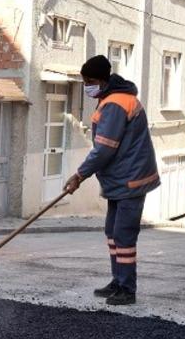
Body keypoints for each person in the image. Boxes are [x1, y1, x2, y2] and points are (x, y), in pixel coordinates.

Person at [63, 55, 159, 306]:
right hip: (120, 179)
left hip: (131, 179)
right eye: (85, 81)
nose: (87, 87)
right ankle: (118, 280)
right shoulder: (110, 98)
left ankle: (127, 289)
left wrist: (79, 175)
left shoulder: (116, 103)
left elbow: (105, 148)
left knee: (123, 234)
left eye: (90, 81)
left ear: (104, 80)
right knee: (112, 231)